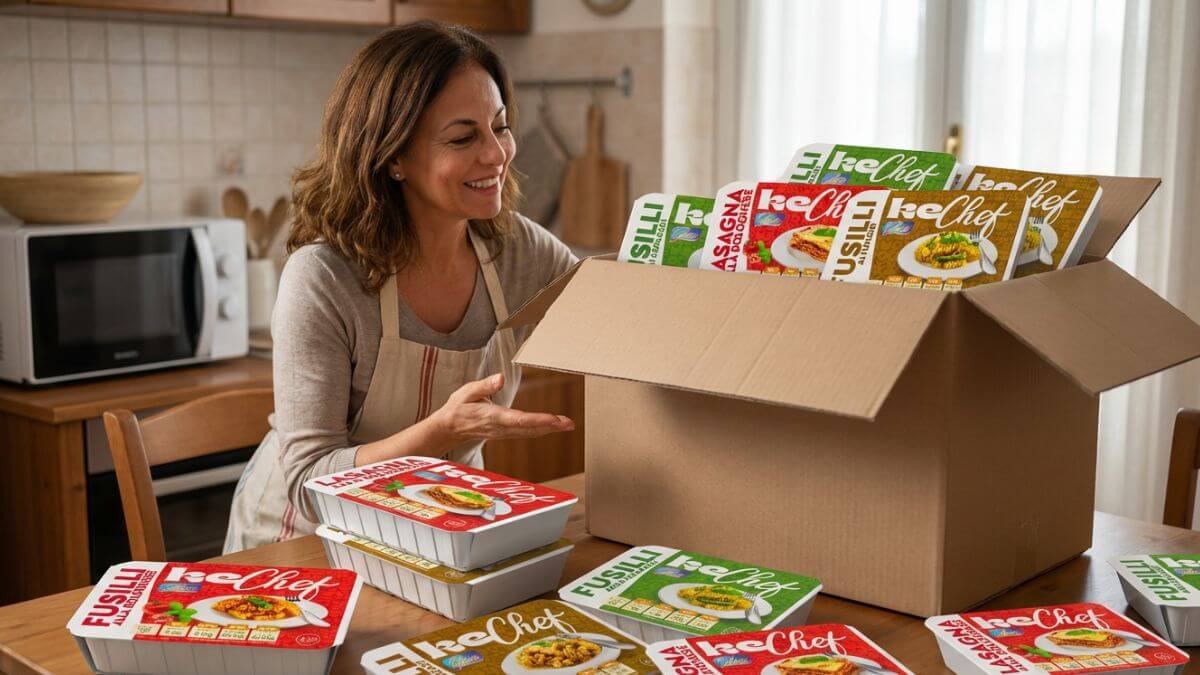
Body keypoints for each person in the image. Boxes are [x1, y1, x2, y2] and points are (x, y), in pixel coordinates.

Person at [224, 21, 577, 552]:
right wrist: (442, 431)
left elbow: (616, 318)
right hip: (303, 544)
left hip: (437, 532)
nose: (496, 154)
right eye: (463, 138)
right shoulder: (324, 277)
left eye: (499, 127)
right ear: (393, 156)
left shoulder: (519, 251)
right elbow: (309, 482)